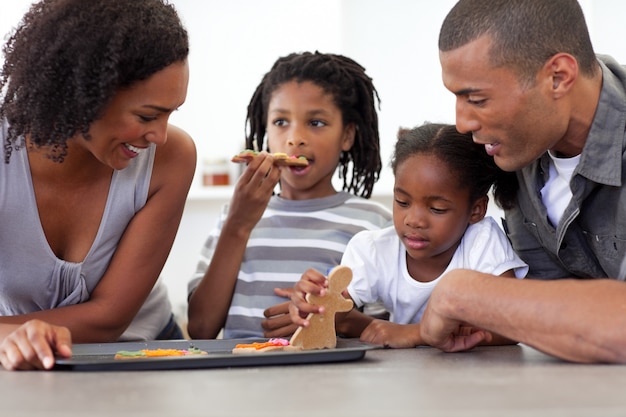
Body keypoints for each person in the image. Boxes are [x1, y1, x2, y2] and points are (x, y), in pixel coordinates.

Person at [419, 0, 626, 363]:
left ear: (558, 77)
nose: (463, 123)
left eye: (477, 99)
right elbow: (548, 316)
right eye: (457, 97)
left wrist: (463, 293)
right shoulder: (521, 152)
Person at [0, 0, 195, 370]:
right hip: (24, 361)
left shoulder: (171, 160)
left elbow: (108, 319)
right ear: (80, 92)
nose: (161, 135)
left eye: (171, 113)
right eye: (147, 115)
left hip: (147, 353)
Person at [187, 51, 392, 340]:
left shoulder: (374, 223)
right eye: (281, 122)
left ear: (347, 136)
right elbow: (200, 328)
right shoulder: (233, 216)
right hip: (240, 379)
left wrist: (325, 319)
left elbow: (384, 326)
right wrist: (238, 224)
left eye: (316, 122)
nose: (295, 138)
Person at [290, 123, 528, 348]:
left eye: (436, 209)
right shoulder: (374, 249)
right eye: (402, 202)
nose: (413, 220)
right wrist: (315, 299)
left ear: (476, 210)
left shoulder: (481, 242)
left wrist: (418, 333)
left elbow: (510, 325)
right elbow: (336, 312)